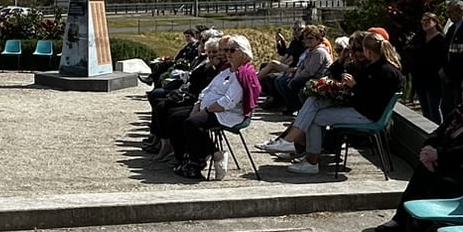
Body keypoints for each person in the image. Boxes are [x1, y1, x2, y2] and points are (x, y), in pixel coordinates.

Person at [373, 70, 463, 232]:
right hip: (457, 164)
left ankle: (423, 221)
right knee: (424, 170)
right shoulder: (460, 112)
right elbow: (438, 133)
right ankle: (402, 219)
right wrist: (428, 150)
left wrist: (439, 156)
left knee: (442, 182)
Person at [259, 33, 403, 175]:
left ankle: (307, 157)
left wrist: (354, 86)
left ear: (368, 51)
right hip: (362, 109)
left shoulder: (383, 71)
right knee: (313, 102)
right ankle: (299, 150)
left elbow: (373, 98)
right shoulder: (378, 67)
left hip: (367, 115)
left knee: (313, 116)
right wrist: (342, 64)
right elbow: (342, 77)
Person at [172, 36, 260, 181]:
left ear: (243, 53)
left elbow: (228, 102)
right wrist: (197, 105)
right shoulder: (227, 70)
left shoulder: (243, 74)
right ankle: (183, 158)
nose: (228, 54)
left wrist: (204, 111)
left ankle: (210, 156)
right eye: (227, 50)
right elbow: (207, 90)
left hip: (228, 113)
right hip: (209, 108)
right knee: (175, 117)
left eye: (232, 50)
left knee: (192, 123)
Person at [411, 12, 448, 123]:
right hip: (420, 78)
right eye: (423, 21)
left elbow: (445, 58)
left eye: (428, 21)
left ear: (435, 22)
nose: (425, 23)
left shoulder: (441, 39)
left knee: (434, 108)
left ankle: (438, 132)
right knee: (425, 109)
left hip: (434, 80)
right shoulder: (420, 37)